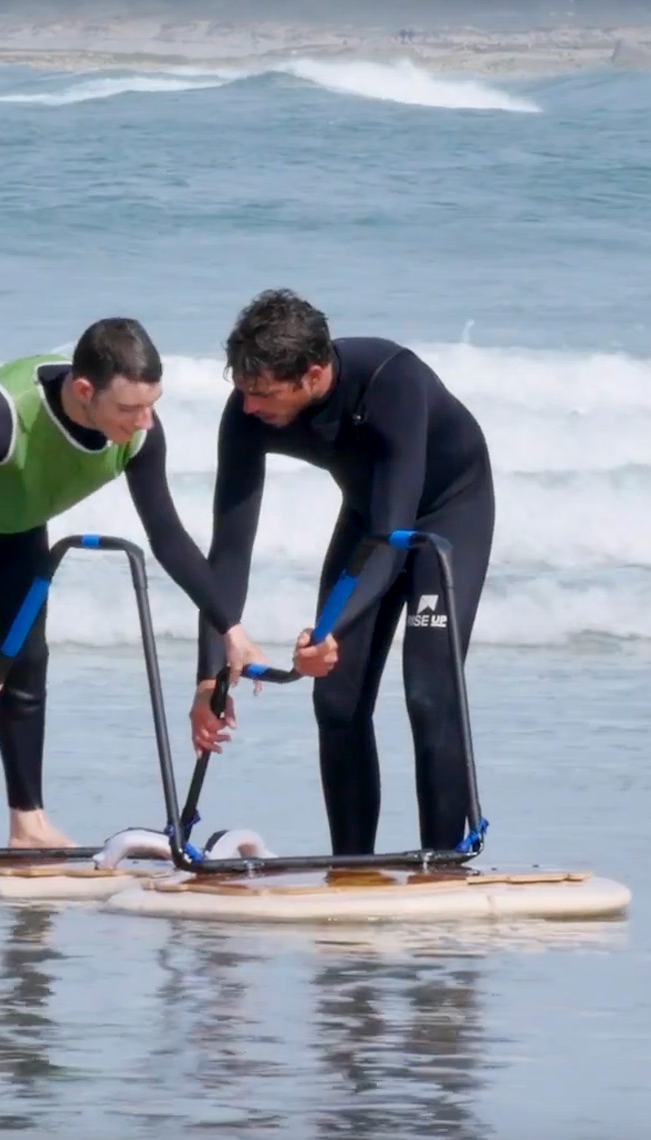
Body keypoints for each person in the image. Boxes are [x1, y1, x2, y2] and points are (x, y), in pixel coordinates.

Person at [0, 316, 266, 865]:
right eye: (128, 409)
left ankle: (29, 823)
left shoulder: (140, 434)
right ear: (84, 391)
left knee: (26, 667)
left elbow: (167, 537)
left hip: (21, 522)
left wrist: (231, 629)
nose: (143, 422)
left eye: (151, 405)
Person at [189, 289, 496, 856]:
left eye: (261, 393)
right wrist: (211, 677)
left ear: (312, 374)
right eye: (242, 390)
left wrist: (330, 629)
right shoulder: (247, 409)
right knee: (336, 702)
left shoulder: (390, 380)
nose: (248, 406)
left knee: (429, 696)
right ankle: (353, 867)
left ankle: (445, 865)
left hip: (446, 516)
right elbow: (229, 551)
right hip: (369, 518)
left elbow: (395, 536)